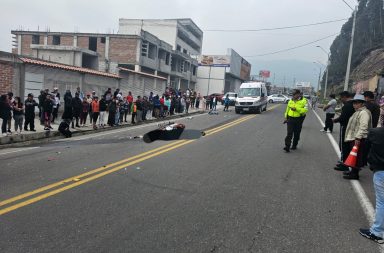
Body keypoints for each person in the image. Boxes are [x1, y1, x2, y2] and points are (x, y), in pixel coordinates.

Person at [359, 127, 384, 243]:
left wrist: (364, 161)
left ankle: (377, 232)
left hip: (381, 170)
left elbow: (365, 148)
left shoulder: (375, 132)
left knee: (381, 202)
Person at [343, 94, 372, 180]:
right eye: (354, 102)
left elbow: (363, 126)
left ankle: (355, 174)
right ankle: (352, 171)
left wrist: (358, 137)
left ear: (362, 103)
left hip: (359, 138)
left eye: (357, 102)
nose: (355, 104)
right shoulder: (358, 112)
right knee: (354, 155)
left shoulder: (364, 113)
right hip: (355, 137)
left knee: (357, 156)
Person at [333, 91, 355, 171]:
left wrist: (335, 120)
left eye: (341, 98)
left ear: (345, 97)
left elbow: (343, 117)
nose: (341, 99)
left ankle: (344, 163)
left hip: (345, 126)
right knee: (348, 146)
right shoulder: (354, 104)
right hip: (352, 128)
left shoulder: (347, 105)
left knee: (343, 145)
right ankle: (346, 162)